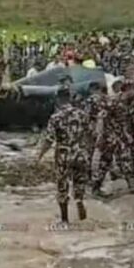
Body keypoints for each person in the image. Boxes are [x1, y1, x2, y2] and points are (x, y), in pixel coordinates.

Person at [37, 87, 94, 222]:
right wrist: (89, 151)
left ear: (58, 99)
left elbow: (49, 139)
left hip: (64, 154)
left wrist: (40, 154)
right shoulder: (82, 114)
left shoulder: (56, 117)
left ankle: (64, 219)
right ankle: (79, 200)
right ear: (70, 98)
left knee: (62, 185)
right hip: (81, 152)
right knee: (79, 181)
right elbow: (90, 134)